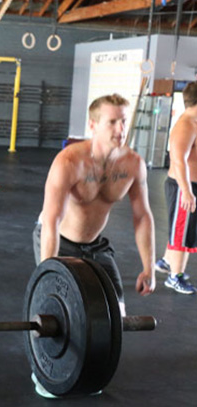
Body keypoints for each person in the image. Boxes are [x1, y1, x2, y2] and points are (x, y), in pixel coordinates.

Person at [32, 93, 156, 396]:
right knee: (56, 314)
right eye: (112, 121)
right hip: (57, 239)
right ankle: (44, 371)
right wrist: (48, 274)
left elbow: (143, 217)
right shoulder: (70, 162)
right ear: (93, 124)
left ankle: (90, 370)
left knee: (116, 317)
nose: (120, 128)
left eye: (123, 121)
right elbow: (51, 220)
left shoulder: (133, 164)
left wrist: (149, 266)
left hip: (95, 246)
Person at [153, 82, 197, 294]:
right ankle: (174, 277)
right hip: (183, 186)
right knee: (181, 232)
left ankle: (167, 262)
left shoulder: (193, 122)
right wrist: (187, 190)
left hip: (189, 185)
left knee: (183, 230)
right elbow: (178, 160)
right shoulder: (187, 124)